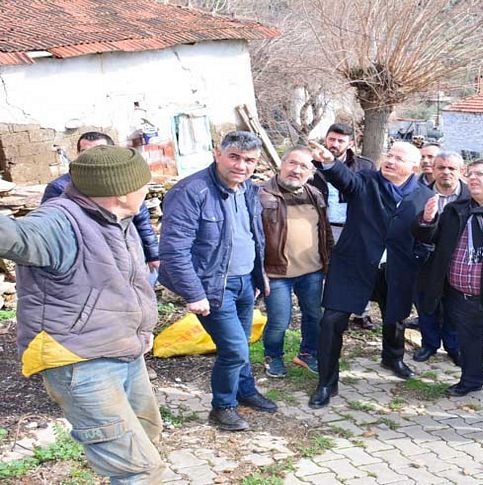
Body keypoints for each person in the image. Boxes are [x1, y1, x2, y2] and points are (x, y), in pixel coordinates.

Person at [1, 145, 164, 482]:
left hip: (124, 351)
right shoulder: (59, 221)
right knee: (139, 471)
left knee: (147, 436)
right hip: (79, 361)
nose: (147, 190)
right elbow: (16, 237)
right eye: (142, 184)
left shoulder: (119, 218)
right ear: (119, 191)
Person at [159, 131, 277, 431]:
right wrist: (194, 293)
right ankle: (222, 407)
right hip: (213, 289)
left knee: (243, 342)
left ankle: (246, 391)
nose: (241, 165)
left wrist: (256, 276)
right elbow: (174, 250)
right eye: (234, 157)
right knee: (234, 349)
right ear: (217, 153)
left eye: (249, 160)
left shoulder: (249, 189)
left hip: (244, 283)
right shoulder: (191, 191)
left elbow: (254, 236)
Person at [307, 141, 434, 409]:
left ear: (413, 166)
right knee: (331, 321)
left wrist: (427, 223)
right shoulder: (366, 181)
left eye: (398, 158)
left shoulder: (424, 196)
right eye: (389, 154)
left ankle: (393, 358)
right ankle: (327, 383)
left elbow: (426, 237)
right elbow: (345, 180)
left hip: (396, 269)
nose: (390, 160)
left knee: (395, 317)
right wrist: (329, 162)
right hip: (354, 264)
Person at [414, 159, 483, 411]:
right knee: (468, 341)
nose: (473, 178)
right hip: (460, 294)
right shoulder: (456, 210)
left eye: (480, 174)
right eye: (470, 174)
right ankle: (471, 379)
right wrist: (427, 220)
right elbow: (429, 238)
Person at [41, 132, 160, 276]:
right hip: (93, 264)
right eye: (85, 152)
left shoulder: (126, 183)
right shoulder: (60, 187)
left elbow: (142, 221)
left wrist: (153, 254)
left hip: (130, 254)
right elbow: (54, 234)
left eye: (98, 150)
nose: (93, 157)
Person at [259, 146, 333, 378]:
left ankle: (307, 353)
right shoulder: (261, 194)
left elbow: (325, 232)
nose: (296, 170)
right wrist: (258, 272)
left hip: (312, 271)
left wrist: (328, 263)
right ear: (281, 164)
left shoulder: (315, 194)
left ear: (310, 172)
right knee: (280, 321)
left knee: (314, 316)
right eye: (292, 163)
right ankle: (273, 356)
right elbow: (253, 237)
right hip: (276, 273)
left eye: (303, 166)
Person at [309, 123, 376, 330]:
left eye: (340, 141)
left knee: (357, 268)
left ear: (351, 143)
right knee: (326, 268)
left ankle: (360, 311)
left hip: (352, 226)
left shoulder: (365, 166)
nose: (335, 144)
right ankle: (331, 312)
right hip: (322, 225)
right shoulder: (312, 163)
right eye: (332, 139)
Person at [413, 151, 468, 365]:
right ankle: (429, 344)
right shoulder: (419, 194)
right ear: (433, 170)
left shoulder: (471, 197)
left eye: (451, 168)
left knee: (454, 307)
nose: (446, 172)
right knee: (427, 304)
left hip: (458, 261)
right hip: (426, 259)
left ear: (461, 171)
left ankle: (453, 346)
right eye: (441, 168)